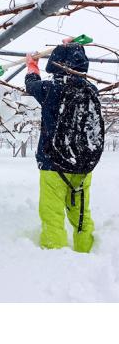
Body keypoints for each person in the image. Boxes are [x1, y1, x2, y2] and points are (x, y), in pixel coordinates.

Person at [25, 41, 102, 253]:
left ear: (55, 65)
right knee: (81, 215)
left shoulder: (50, 89)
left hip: (53, 166)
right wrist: (71, 47)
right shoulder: (92, 90)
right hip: (83, 166)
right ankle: (86, 251)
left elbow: (31, 84)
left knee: (52, 215)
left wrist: (32, 65)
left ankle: (55, 259)